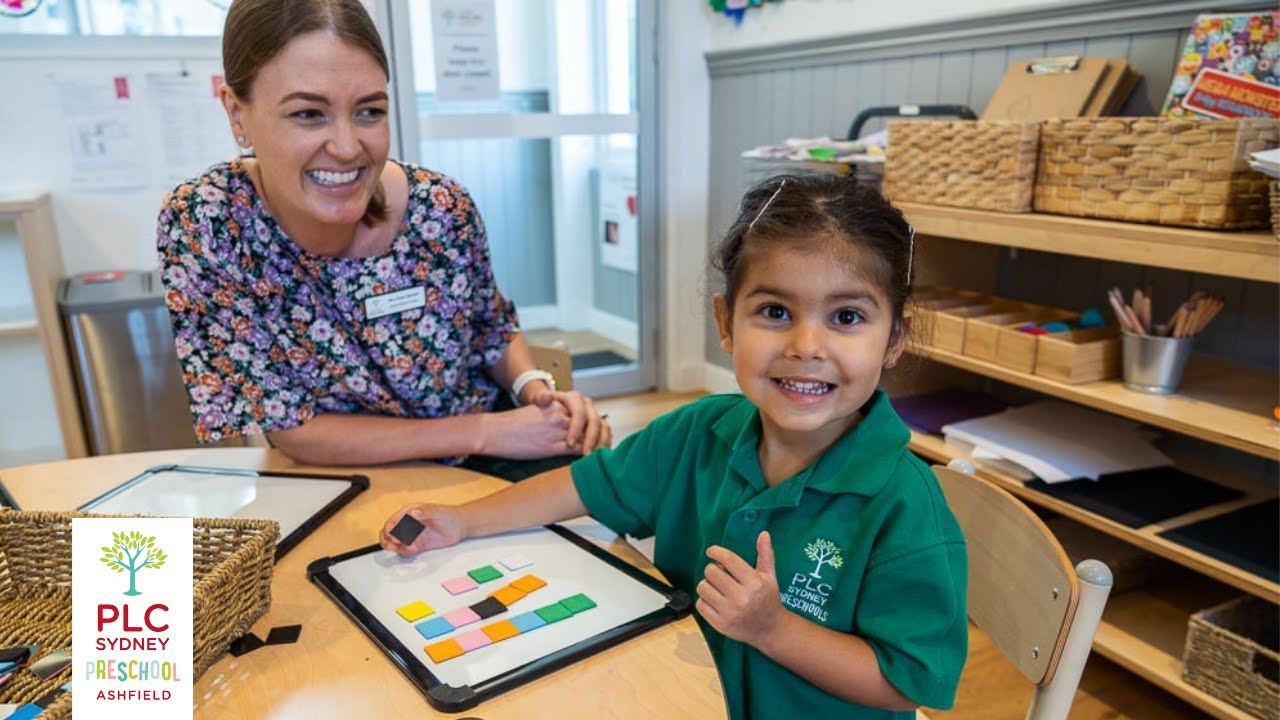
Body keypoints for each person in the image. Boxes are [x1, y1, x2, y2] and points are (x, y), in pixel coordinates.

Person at [380, 173, 969, 718]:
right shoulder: (697, 432)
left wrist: (773, 629)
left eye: (845, 316)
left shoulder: (905, 506)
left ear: (894, 337)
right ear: (725, 321)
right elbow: (582, 485)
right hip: (679, 699)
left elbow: (908, 682)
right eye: (774, 311)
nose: (806, 344)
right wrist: (463, 521)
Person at [155, 0, 609, 475]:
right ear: (236, 114)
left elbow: (490, 331)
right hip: (338, 475)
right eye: (309, 114)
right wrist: (485, 430)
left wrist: (537, 394)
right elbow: (293, 428)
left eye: (369, 111)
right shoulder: (207, 224)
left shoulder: (442, 208)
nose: (348, 148)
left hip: (486, 462)